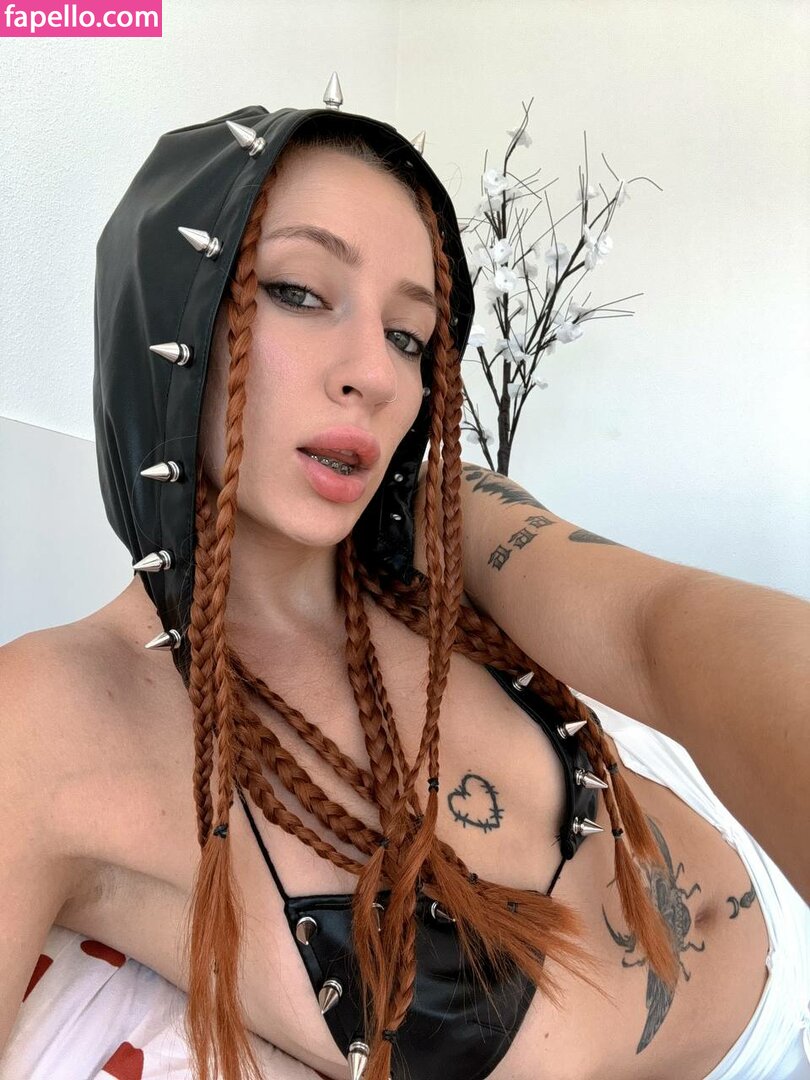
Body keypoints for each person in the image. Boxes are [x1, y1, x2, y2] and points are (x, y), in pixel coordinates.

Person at [0, 90, 808, 1080]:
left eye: (408, 336)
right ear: (164, 318)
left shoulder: (439, 523)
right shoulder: (52, 716)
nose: (376, 377)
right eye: (300, 291)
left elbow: (659, 628)